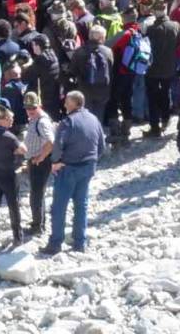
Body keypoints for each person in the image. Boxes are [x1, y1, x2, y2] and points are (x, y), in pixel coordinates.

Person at [41, 89, 105, 254]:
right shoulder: (93, 119)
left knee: (59, 207)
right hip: (88, 167)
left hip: (68, 169)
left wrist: (55, 162)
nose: (64, 104)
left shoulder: (68, 122)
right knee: (81, 205)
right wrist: (93, 160)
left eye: (67, 102)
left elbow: (58, 146)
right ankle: (79, 242)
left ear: (75, 103)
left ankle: (55, 243)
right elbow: (101, 145)